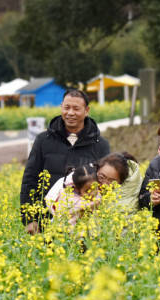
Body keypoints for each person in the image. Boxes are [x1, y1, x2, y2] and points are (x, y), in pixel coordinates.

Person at [20, 89, 110, 234]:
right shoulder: (43, 140)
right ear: (61, 107)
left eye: (76, 108)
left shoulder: (100, 144)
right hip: (47, 220)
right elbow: (30, 179)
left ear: (86, 111)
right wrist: (30, 219)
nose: (70, 113)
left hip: (86, 224)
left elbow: (106, 184)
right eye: (66, 108)